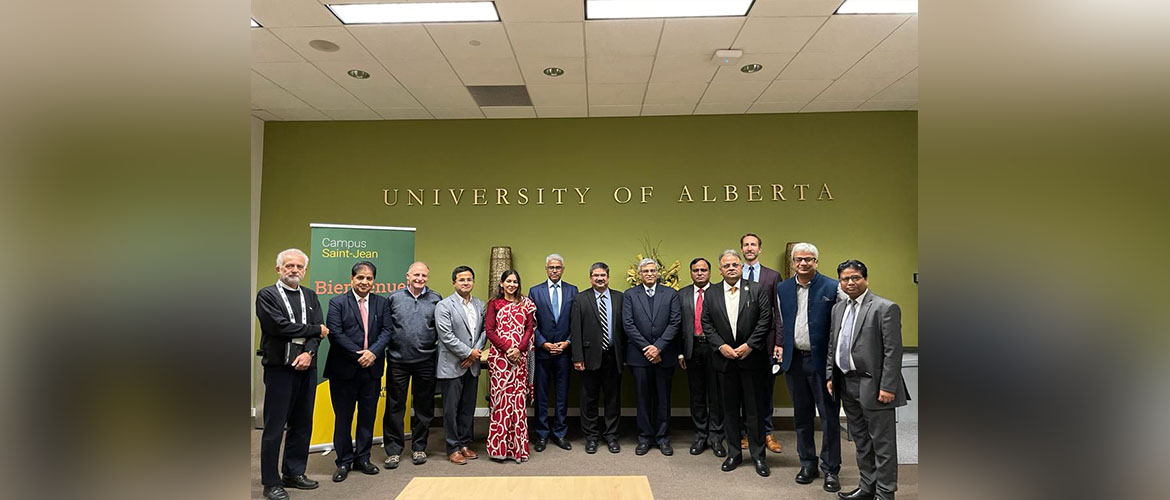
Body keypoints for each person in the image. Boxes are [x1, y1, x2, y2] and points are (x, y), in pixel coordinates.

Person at [827, 260, 908, 500]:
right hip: (846, 384)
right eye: (845, 279)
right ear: (840, 282)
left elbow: (893, 351)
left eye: (855, 278)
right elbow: (834, 344)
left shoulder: (885, 307)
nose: (850, 283)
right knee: (861, 441)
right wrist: (831, 375)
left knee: (882, 444)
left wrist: (888, 386)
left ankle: (885, 492)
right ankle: (867, 487)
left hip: (875, 385)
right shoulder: (838, 308)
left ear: (866, 279)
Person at [255, 249, 328, 500]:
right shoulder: (267, 295)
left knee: (302, 423)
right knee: (275, 427)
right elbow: (277, 326)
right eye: (289, 266)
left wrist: (309, 352)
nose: (294, 270)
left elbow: (316, 336)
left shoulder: (310, 295)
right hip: (280, 370)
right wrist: (315, 330)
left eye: (299, 266)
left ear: (305, 270)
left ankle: (294, 472)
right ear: (279, 269)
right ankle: (271, 482)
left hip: (307, 367)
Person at [773, 243, 842, 491]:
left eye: (809, 259)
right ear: (792, 262)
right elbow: (779, 321)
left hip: (823, 363)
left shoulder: (833, 287)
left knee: (829, 418)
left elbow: (842, 326)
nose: (803, 263)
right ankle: (807, 464)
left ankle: (831, 469)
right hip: (795, 362)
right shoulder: (782, 288)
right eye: (799, 259)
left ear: (816, 262)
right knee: (802, 418)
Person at [700, 250, 774, 477]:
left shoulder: (756, 289)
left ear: (741, 267)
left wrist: (750, 345)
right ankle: (734, 454)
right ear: (720, 270)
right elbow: (706, 322)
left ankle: (759, 456)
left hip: (751, 360)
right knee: (729, 410)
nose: (731, 268)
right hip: (725, 361)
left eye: (735, 264)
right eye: (726, 265)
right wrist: (721, 346)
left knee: (754, 411)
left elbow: (765, 319)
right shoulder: (711, 293)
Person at [324, 261, 392, 482]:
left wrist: (372, 353)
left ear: (374, 281)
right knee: (343, 418)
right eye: (360, 278)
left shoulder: (382, 303)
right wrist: (359, 355)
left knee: (367, 416)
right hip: (344, 370)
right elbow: (335, 333)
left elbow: (387, 331)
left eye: (369, 278)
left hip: (371, 369)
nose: (365, 282)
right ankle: (343, 461)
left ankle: (363, 458)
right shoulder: (337, 302)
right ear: (352, 279)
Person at [383, 262, 442, 468]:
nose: (420, 278)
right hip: (398, 360)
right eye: (416, 275)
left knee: (423, 407)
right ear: (407, 276)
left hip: (425, 360)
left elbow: (440, 329)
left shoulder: (436, 299)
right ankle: (393, 450)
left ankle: (419, 448)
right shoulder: (394, 298)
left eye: (424, 275)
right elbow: (386, 328)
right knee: (394, 406)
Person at [622, 258, 682, 456]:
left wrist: (658, 348)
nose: (649, 274)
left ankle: (663, 438)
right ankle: (645, 437)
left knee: (663, 398)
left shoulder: (671, 294)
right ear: (639, 274)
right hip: (639, 356)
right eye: (645, 271)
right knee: (642, 398)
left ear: (658, 273)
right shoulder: (630, 295)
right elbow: (628, 324)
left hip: (664, 355)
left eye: (652, 270)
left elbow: (675, 323)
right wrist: (647, 348)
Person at [570, 262, 625, 455]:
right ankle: (591, 437)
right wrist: (577, 357)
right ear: (590, 278)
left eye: (603, 275)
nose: (600, 278)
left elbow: (624, 330)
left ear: (608, 277)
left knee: (613, 399)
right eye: (596, 275)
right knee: (589, 399)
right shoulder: (580, 298)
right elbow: (575, 330)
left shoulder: (620, 298)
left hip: (613, 356)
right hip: (588, 357)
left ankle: (611, 436)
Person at [434, 266, 487, 465]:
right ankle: (452, 447)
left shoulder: (480, 304)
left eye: (469, 279)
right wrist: (468, 352)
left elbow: (484, 332)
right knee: (451, 408)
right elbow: (445, 335)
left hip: (471, 365)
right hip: (452, 365)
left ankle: (464, 443)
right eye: (461, 279)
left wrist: (474, 355)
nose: (466, 283)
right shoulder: (444, 305)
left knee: (467, 407)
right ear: (454, 283)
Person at [485, 269, 537, 463]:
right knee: (501, 402)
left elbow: (530, 328)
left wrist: (520, 349)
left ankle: (518, 449)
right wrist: (508, 348)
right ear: (501, 283)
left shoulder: (526, 303)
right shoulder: (494, 304)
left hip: (520, 360)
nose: (512, 284)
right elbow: (489, 331)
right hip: (500, 360)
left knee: (517, 403)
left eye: (515, 281)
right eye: (508, 281)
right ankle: (499, 449)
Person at [739, 233, 783, 454]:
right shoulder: (735, 275)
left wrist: (779, 341)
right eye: (746, 245)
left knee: (766, 390)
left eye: (753, 244)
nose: (749, 248)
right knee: (744, 390)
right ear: (741, 249)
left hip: (766, 343)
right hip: (741, 343)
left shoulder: (772, 276)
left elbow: (779, 312)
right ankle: (747, 433)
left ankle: (767, 433)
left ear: (759, 249)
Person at [678, 257, 726, 457]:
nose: (699, 273)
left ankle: (716, 436)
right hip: (692, 348)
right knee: (697, 394)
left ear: (710, 272)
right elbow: (677, 325)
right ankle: (700, 435)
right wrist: (680, 351)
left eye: (703, 270)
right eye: (696, 270)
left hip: (714, 349)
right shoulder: (681, 294)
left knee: (716, 395)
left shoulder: (719, 292)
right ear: (690, 273)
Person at [528, 254, 576, 452]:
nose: (554, 270)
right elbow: (530, 322)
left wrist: (568, 342)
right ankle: (541, 434)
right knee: (541, 396)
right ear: (546, 269)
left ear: (563, 269)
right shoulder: (535, 291)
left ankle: (560, 433)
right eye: (551, 267)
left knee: (562, 395)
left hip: (564, 352)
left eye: (558, 267)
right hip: (543, 352)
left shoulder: (573, 290)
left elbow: (577, 321)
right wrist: (543, 343)